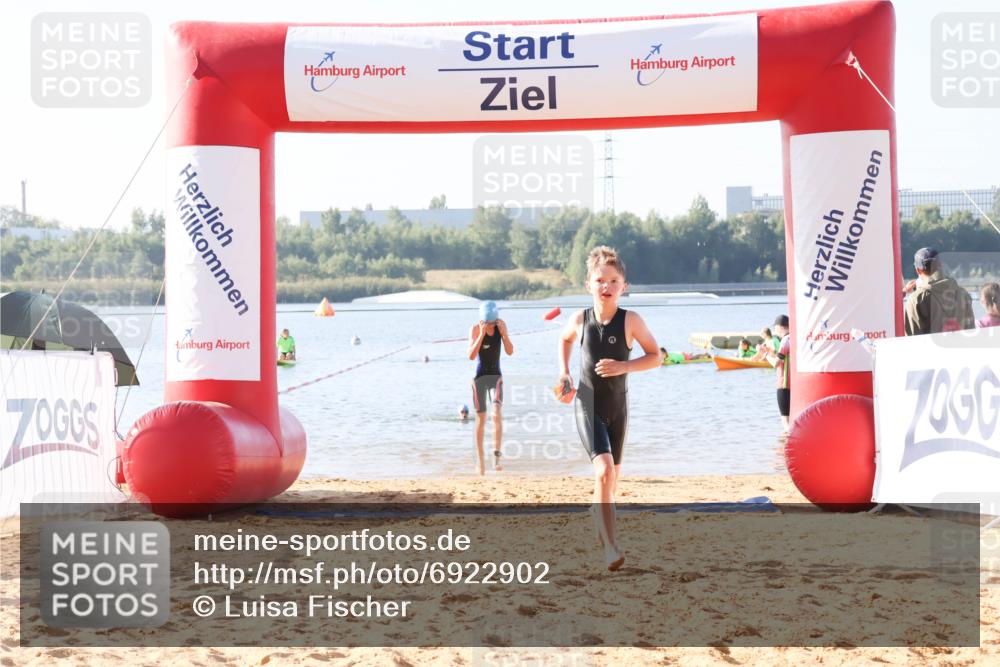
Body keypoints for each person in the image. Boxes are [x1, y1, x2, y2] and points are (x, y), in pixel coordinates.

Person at [557, 246, 661, 571]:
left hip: (619, 406)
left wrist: (622, 367)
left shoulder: (631, 320)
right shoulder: (580, 319)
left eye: (613, 280)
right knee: (603, 471)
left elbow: (656, 356)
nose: (606, 286)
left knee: (611, 480)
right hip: (587, 403)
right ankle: (611, 549)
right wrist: (564, 372)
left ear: (623, 286)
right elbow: (565, 340)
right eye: (600, 280)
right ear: (588, 284)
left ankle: (597, 514)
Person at [467, 300, 513, 475]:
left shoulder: (500, 327)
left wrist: (504, 334)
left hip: (496, 377)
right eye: (489, 323)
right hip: (479, 378)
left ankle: (496, 458)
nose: (491, 326)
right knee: (481, 419)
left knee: (496, 414)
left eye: (493, 323)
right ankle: (480, 462)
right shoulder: (474, 329)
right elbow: (471, 356)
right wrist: (480, 334)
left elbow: (510, 351)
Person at [903, 247, 975, 335]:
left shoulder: (916, 299)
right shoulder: (963, 293)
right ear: (940, 265)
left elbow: (912, 338)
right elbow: (971, 330)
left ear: (918, 270)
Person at [764, 315, 791, 433]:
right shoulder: (795, 338)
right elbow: (784, 358)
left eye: (775, 328)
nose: (774, 331)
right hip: (795, 383)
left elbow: (776, 363)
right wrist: (770, 352)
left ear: (779, 327)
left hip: (784, 384)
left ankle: (789, 445)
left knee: (785, 420)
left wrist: (766, 356)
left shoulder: (785, 340)